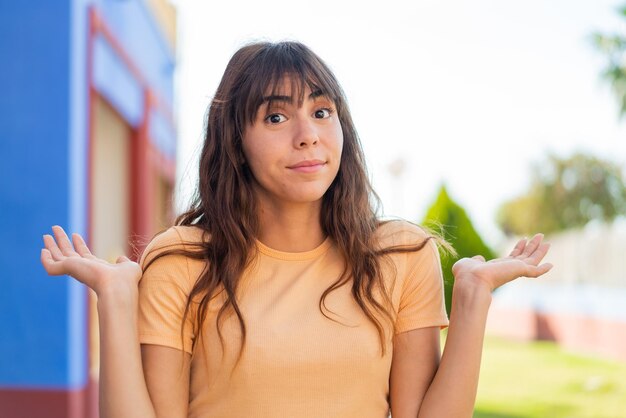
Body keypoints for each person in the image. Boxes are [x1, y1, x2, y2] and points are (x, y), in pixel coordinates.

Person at [40, 41, 552, 418]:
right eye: (277, 117)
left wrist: (471, 298)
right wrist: (115, 298)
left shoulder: (401, 255)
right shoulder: (183, 260)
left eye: (322, 111)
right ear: (236, 141)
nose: (308, 136)